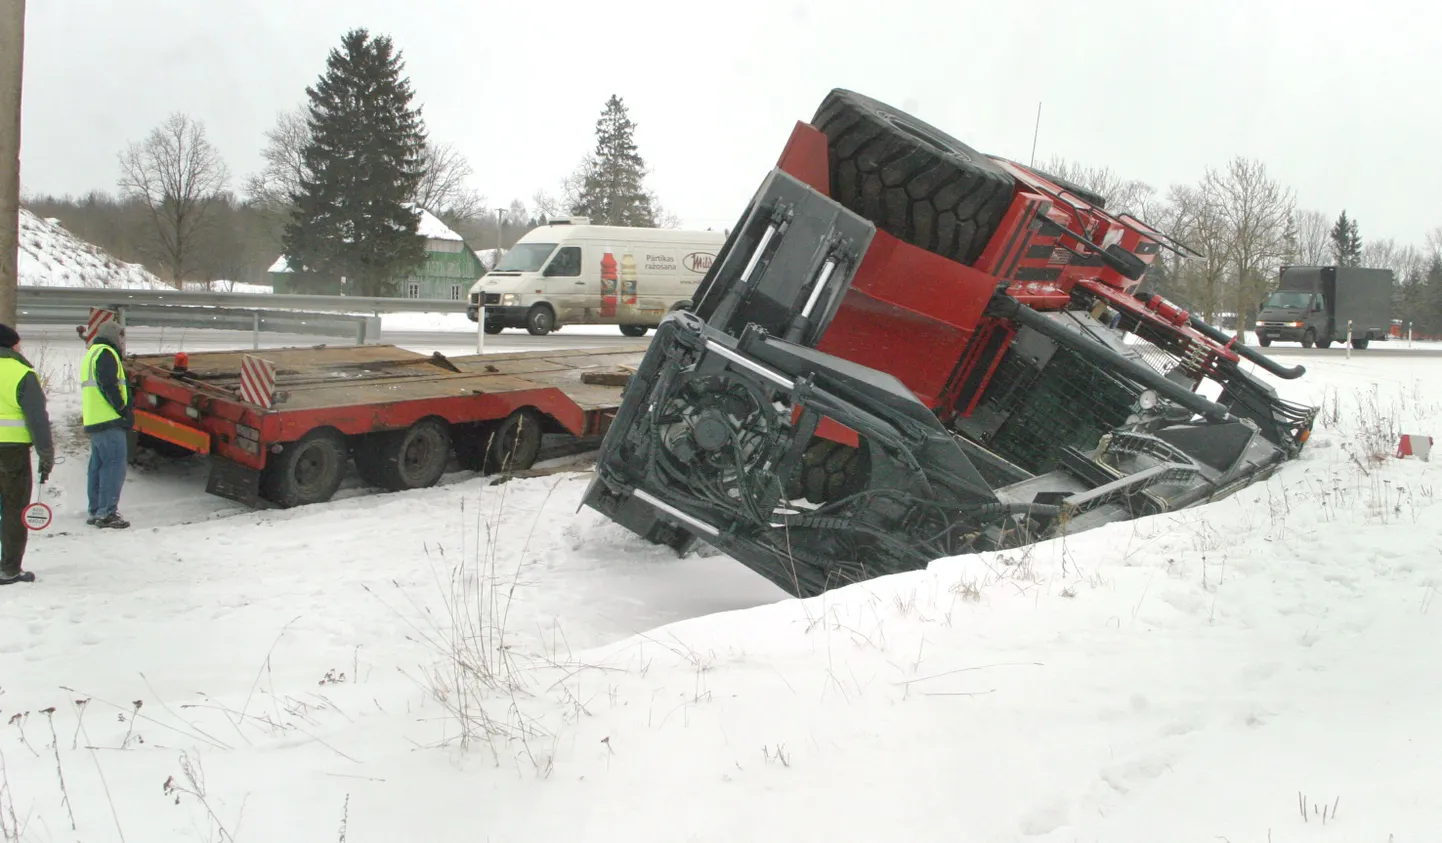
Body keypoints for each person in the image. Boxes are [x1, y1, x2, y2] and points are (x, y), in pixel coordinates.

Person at [0, 323, 55, 586]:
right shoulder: (22, 371)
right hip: (12, 452)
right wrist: (46, 453)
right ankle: (9, 568)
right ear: (11, 345)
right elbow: (37, 418)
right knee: (13, 507)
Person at [82, 321, 131, 529]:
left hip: (94, 419)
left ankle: (96, 509)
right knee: (114, 465)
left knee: (98, 465)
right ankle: (107, 513)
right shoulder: (106, 353)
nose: (121, 342)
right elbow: (108, 384)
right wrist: (122, 408)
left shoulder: (92, 353)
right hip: (109, 420)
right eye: (120, 337)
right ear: (112, 336)